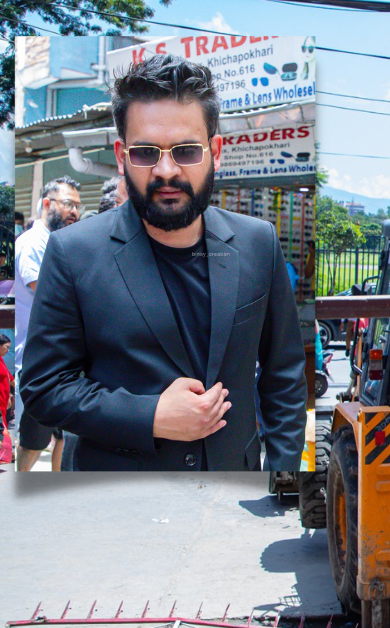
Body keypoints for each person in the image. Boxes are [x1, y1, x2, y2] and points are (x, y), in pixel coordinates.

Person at [20, 55, 307, 471]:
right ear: (121, 155)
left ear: (215, 152)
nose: (167, 170)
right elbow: (45, 387)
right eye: (146, 152)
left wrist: (283, 477)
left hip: (233, 499)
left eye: (187, 151)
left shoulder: (257, 242)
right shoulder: (73, 252)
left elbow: (284, 374)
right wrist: (151, 416)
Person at [14, 176, 81, 472]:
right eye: (67, 204)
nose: (74, 212)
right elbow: (41, 288)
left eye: (77, 206)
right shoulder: (32, 243)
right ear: (46, 203)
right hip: (35, 362)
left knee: (61, 438)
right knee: (33, 442)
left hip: (59, 361)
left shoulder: (55, 242)